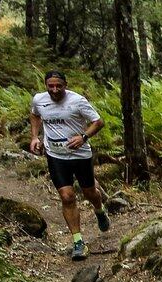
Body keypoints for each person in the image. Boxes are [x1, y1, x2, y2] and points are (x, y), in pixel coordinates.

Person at [29, 70, 109, 261]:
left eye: (59, 86)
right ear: (46, 85)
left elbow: (98, 122)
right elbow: (34, 115)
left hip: (80, 155)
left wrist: (83, 137)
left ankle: (99, 210)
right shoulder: (39, 100)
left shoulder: (78, 101)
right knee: (67, 196)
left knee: (90, 192)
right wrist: (34, 137)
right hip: (56, 155)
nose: (55, 90)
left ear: (65, 85)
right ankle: (78, 242)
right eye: (51, 86)